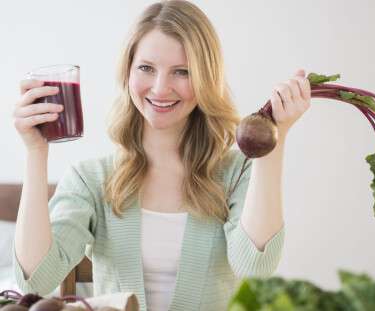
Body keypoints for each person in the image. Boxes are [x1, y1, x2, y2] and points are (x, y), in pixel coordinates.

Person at [12, 1, 310, 310]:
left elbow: (256, 269)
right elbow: (36, 279)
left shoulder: (237, 172)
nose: (160, 87)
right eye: (146, 68)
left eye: (181, 71)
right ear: (127, 72)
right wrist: (35, 151)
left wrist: (274, 138)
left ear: (206, 79)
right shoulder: (90, 179)